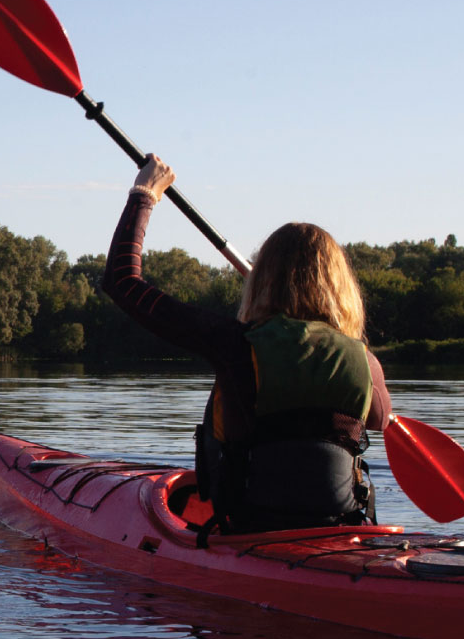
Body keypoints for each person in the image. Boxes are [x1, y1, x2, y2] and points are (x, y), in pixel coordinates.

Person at [103, 155, 392, 533]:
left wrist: (144, 194)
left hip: (250, 528)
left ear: (262, 281)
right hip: (341, 528)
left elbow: (122, 281)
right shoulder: (365, 362)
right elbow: (380, 420)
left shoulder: (234, 344)